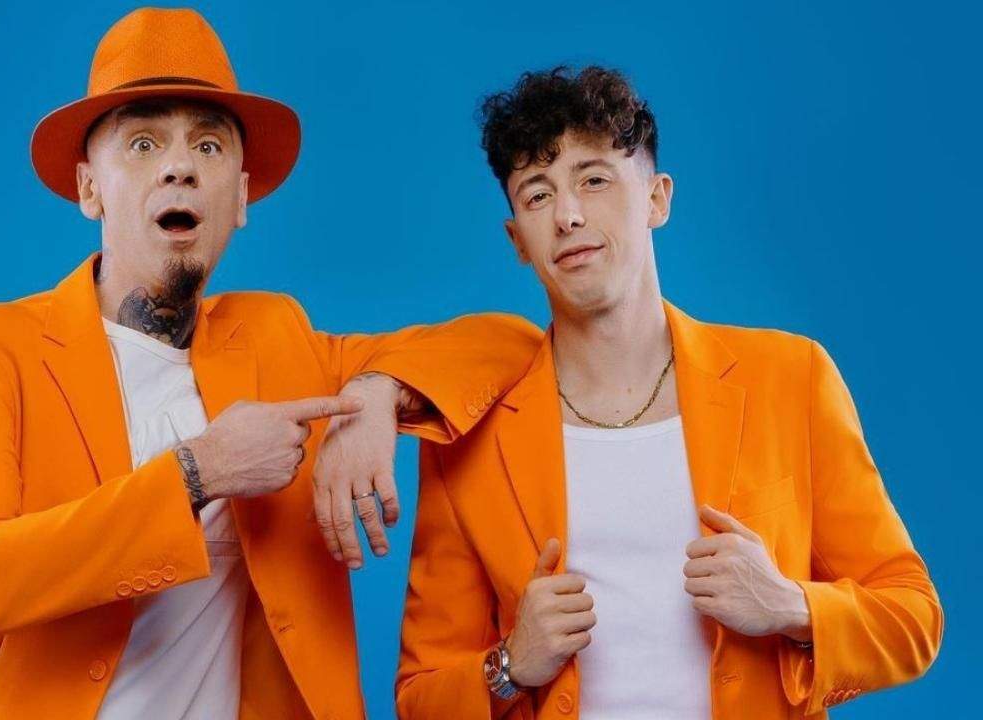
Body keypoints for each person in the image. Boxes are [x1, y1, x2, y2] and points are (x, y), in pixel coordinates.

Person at [0, 9, 540, 719]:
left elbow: (506, 341)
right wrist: (198, 473)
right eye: (143, 143)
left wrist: (377, 393)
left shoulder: (274, 338)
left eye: (207, 145)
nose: (180, 166)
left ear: (241, 197)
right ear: (89, 188)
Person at [396, 65, 942, 719]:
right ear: (518, 240)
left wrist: (792, 606)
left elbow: (913, 616)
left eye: (594, 180)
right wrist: (510, 664)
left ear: (657, 199)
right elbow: (419, 696)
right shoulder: (470, 436)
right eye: (537, 196)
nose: (568, 215)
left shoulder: (790, 377)